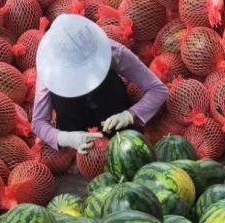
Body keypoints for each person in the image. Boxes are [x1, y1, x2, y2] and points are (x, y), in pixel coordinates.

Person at [32, 14, 168, 155]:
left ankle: (119, 136)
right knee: (60, 96)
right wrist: (66, 138)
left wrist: (129, 115)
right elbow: (39, 122)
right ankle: (75, 152)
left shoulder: (111, 50)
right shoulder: (49, 67)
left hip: (111, 113)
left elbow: (158, 89)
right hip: (74, 125)